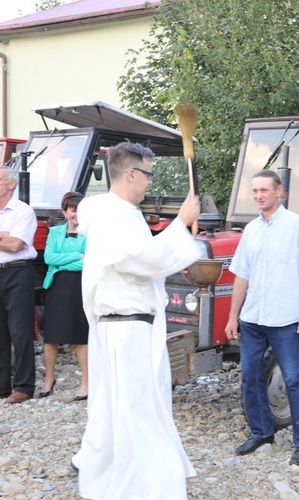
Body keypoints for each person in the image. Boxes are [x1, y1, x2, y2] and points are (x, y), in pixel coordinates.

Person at [71, 142, 203, 499]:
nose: (150, 183)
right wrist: (181, 223)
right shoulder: (114, 215)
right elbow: (143, 259)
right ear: (131, 173)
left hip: (129, 325)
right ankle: (149, 487)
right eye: (148, 174)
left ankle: (111, 471)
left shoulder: (117, 212)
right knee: (136, 408)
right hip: (125, 327)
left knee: (123, 405)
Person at [225, 169, 299, 466]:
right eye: (254, 191)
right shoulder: (251, 230)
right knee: (249, 377)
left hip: (285, 318)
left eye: (264, 190)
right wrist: (233, 317)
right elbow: (242, 276)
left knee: (295, 379)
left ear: (280, 192)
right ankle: (261, 433)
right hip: (253, 318)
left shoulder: (296, 226)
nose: (258, 195)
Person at [40, 191, 88, 400]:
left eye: (80, 210)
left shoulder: (91, 233)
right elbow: (49, 258)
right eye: (72, 210)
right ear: (65, 211)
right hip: (56, 286)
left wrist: (63, 261)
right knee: (50, 337)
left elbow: (91, 261)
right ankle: (48, 379)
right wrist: (78, 255)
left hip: (80, 287)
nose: (76, 214)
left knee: (80, 336)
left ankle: (86, 382)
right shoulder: (55, 232)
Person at [0, 166, 37, 404]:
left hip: (16, 273)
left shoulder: (24, 211)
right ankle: (2, 386)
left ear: (11, 184)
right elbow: (9, 241)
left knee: (20, 331)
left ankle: (23, 386)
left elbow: (15, 246)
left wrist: (9, 238)